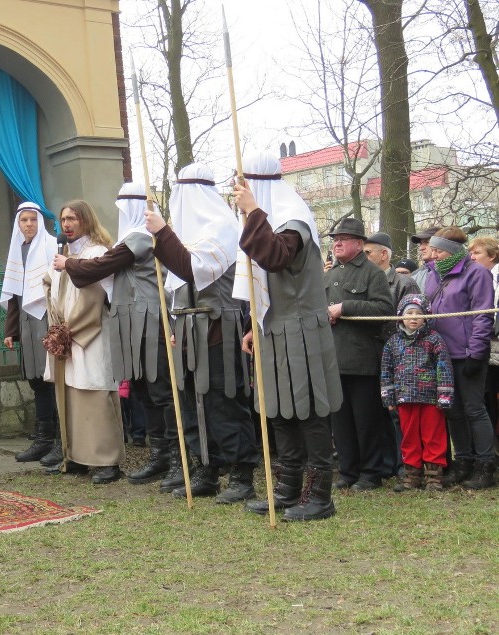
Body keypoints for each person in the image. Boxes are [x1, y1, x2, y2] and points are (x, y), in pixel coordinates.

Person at [233, 149, 342, 521]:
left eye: (242, 183)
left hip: (300, 329)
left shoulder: (292, 219)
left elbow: (275, 258)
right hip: (272, 329)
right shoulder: (267, 219)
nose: (237, 191)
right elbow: (262, 282)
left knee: (308, 409)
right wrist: (252, 324)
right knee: (280, 410)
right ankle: (289, 488)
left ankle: (320, 495)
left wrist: (253, 211)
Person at [146, 163, 259, 503]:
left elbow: (192, 269)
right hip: (188, 330)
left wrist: (163, 233)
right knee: (190, 404)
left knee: (224, 403)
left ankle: (241, 475)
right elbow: (176, 286)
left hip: (219, 328)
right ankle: (204, 470)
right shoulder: (186, 234)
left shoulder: (222, 228)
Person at [60, 183, 180, 489]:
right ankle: (160, 456)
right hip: (131, 320)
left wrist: (69, 263)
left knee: (160, 391)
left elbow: (102, 266)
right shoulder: (131, 237)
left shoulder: (141, 235)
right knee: (142, 389)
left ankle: (178, 460)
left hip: (150, 318)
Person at [46, 199, 125, 484]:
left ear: (86, 221)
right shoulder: (63, 254)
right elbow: (57, 291)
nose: (66, 225)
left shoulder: (98, 252)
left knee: (94, 390)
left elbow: (98, 297)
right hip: (67, 334)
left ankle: (107, 460)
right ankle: (77, 456)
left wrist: (72, 328)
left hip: (91, 333)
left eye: (73, 219)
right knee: (70, 394)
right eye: (63, 220)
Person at [323, 217, 394, 491]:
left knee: (366, 422)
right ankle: (349, 472)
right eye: (334, 239)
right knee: (340, 424)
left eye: (343, 238)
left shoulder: (372, 273)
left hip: (363, 360)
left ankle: (370, 473)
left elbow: (384, 310)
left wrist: (345, 308)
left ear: (358, 243)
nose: (337, 243)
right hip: (334, 360)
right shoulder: (327, 275)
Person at [424, 227, 495, 489]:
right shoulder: (433, 274)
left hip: (467, 353)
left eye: (438, 250)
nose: (433, 255)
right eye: (432, 249)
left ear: (453, 251)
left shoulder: (477, 273)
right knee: (452, 411)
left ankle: (485, 465)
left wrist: (476, 352)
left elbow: (482, 315)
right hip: (442, 355)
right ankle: (463, 461)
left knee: (474, 409)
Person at [0, 202, 59, 463]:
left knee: (51, 377)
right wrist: (10, 330)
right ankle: (43, 438)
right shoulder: (18, 250)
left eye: (33, 220)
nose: (28, 224)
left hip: (48, 316)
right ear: (18, 224)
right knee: (35, 379)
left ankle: (56, 439)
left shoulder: (50, 246)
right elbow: (13, 293)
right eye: (24, 220)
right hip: (26, 320)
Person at [381, 294, 454, 492]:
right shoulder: (393, 342)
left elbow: (443, 368)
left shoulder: (434, 340)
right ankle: (412, 475)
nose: (413, 318)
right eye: (409, 313)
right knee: (409, 436)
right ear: (400, 316)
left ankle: (433, 477)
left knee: (433, 436)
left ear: (426, 317)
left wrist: (444, 396)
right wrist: (388, 396)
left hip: (430, 399)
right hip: (405, 398)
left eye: (418, 314)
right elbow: (386, 371)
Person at [363, 231, 420, 479]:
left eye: (368, 253)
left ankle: (403, 465)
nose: (363, 258)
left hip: (399, 356)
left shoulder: (403, 283)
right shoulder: (365, 280)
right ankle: (385, 464)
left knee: (397, 413)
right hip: (372, 354)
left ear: (384, 254)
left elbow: (413, 319)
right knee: (378, 410)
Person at [467, 236, 499, 438]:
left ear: (493, 255)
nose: (472, 257)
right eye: (470, 253)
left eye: (477, 253)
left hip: (494, 342)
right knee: (488, 397)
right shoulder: (477, 277)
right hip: (486, 347)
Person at [409, 226, 441, 292]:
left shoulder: (460, 271)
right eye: (420, 243)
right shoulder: (415, 276)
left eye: (426, 242)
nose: (421, 248)